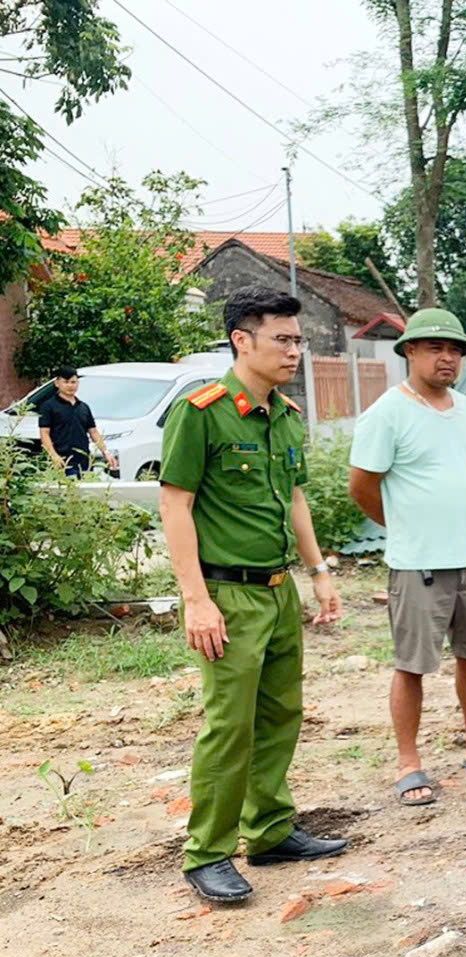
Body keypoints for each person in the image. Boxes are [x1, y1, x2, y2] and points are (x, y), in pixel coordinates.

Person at [158, 286, 346, 904]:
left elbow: (294, 499)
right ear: (243, 340)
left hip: (277, 589)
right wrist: (195, 599)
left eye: (299, 339)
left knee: (279, 715)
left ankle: (268, 830)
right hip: (226, 595)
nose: (296, 350)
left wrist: (317, 570)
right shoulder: (202, 410)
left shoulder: (286, 417)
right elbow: (175, 505)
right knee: (228, 725)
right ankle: (208, 852)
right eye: (284, 339)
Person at [348, 308, 466, 807]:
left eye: (454, 351)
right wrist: (404, 526)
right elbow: (361, 487)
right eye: (434, 349)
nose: (447, 359)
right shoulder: (387, 413)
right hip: (417, 563)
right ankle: (409, 764)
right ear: (409, 352)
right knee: (413, 665)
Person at [38, 367, 118, 478]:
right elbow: (44, 433)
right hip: (62, 461)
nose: (70, 386)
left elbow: (93, 432)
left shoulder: (83, 407)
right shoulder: (48, 406)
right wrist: (53, 455)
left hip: (84, 460)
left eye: (73, 382)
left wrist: (106, 452)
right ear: (57, 383)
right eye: (66, 382)